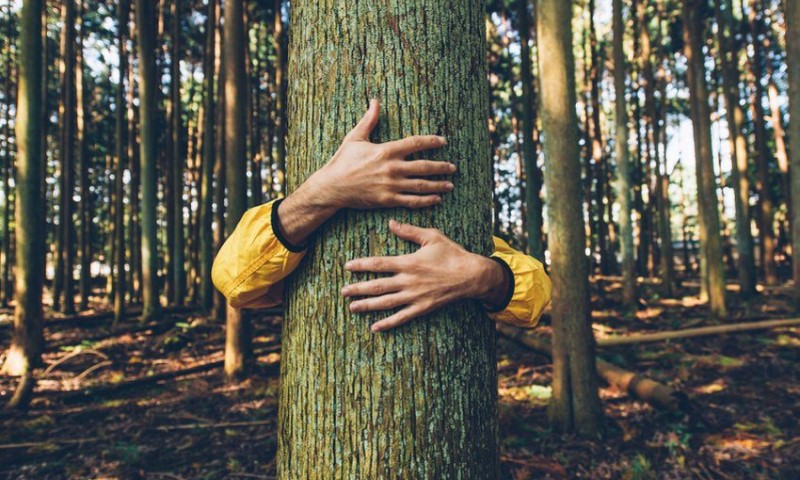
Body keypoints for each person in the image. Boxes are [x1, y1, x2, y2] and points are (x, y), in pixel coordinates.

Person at [212, 100, 551, 332]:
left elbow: (536, 295)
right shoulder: (303, 227)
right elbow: (232, 280)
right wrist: (324, 192)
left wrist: (481, 276)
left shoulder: (462, 237)